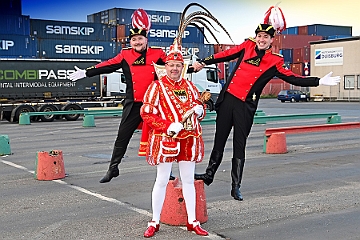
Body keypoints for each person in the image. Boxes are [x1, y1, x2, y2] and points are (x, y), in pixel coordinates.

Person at [192, 23, 341, 201]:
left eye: (265, 37)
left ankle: (236, 185)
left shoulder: (275, 60)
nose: (261, 40)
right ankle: (209, 175)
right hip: (228, 100)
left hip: (245, 106)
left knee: (240, 145)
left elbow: (292, 77)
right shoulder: (247, 46)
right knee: (219, 140)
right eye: (259, 36)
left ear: (271, 40)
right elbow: (225, 54)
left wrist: (317, 81)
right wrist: (204, 62)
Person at [69, 9, 176, 183]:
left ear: (146, 39)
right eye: (133, 40)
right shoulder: (125, 55)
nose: (137, 42)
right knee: (122, 136)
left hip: (155, 104)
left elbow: (174, 68)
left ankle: (166, 171)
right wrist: (86, 72)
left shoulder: (158, 54)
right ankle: (113, 168)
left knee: (160, 138)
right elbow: (107, 65)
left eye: (140, 39)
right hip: (133, 103)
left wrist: (177, 56)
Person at [141, 44, 209, 238]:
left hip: (189, 139)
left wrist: (200, 110)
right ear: (165, 66)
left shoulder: (190, 86)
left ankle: (192, 221)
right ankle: (154, 221)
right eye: (171, 65)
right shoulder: (156, 87)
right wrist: (167, 125)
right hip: (167, 140)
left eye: (178, 65)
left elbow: (199, 109)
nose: (174, 69)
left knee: (188, 180)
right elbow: (146, 113)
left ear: (183, 67)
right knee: (162, 180)